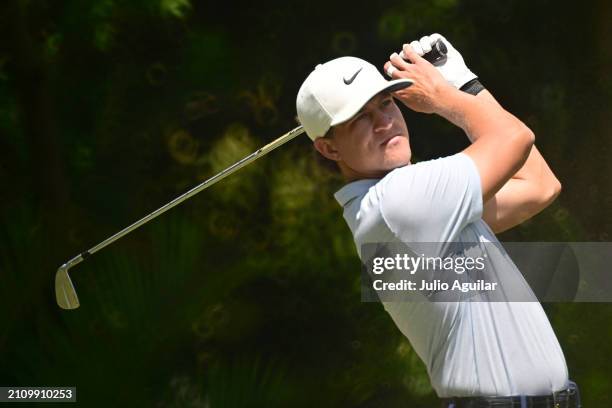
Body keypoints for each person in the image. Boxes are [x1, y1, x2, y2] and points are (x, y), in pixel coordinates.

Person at [296, 34, 582, 408]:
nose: (384, 122)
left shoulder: (422, 206)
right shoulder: (396, 204)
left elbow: (539, 186)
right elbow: (515, 137)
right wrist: (447, 95)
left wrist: (465, 84)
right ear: (329, 148)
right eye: (361, 118)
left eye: (386, 104)